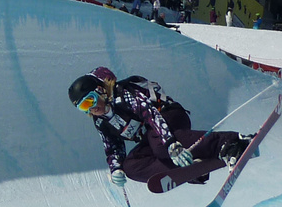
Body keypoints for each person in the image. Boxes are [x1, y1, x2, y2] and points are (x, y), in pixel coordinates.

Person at [68, 67, 251, 194]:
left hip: (168, 115)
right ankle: (191, 165)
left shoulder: (124, 95)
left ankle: (230, 142)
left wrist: (171, 144)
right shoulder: (101, 122)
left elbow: (150, 114)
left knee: (159, 146)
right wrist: (116, 168)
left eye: (89, 101)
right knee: (131, 166)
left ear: (100, 91)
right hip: (152, 136)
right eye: (83, 108)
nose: (90, 109)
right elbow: (113, 147)